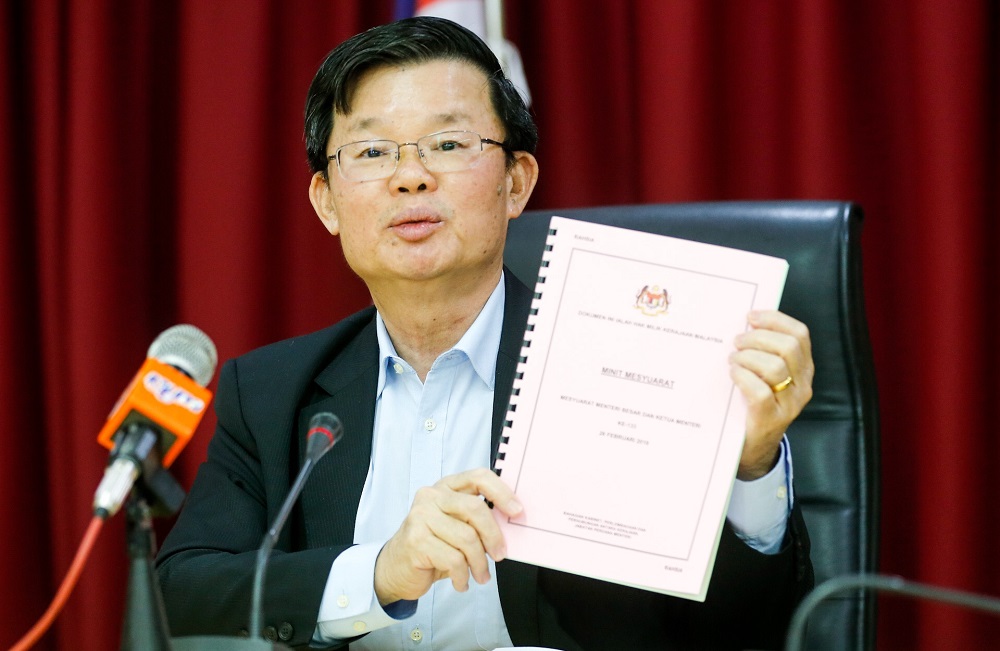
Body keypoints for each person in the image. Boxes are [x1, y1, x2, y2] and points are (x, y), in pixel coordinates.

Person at [156, 16, 814, 651]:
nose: (410, 175)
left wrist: (751, 465)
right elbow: (182, 595)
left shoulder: (624, 363)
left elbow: (748, 628)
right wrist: (380, 572)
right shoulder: (273, 393)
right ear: (327, 201)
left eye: (447, 144)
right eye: (373, 151)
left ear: (516, 183)